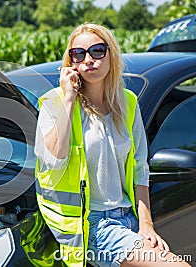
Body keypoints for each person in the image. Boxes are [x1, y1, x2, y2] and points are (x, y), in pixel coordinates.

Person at [34, 23, 190, 267]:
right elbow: (55, 158)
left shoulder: (127, 103)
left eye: (97, 51)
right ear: (71, 61)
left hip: (128, 217)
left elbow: (139, 166)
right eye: (79, 54)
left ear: (111, 55)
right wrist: (68, 98)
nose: (88, 59)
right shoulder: (55, 103)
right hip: (92, 225)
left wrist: (146, 225)